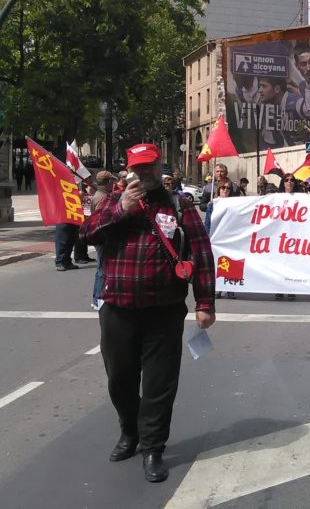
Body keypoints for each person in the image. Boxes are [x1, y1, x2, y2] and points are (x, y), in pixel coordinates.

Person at [80, 143, 216, 483]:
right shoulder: (112, 201)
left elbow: (201, 253)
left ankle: (153, 447)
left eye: (150, 168)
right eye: (138, 169)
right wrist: (121, 209)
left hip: (164, 312)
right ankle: (130, 431)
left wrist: (205, 303)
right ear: (128, 171)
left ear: (159, 167)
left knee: (159, 384)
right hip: (118, 310)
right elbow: (85, 235)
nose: (144, 174)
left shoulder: (180, 205)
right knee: (120, 381)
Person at [90, 171, 117, 309]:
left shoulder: (100, 196)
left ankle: (97, 298)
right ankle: (98, 299)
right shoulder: (102, 198)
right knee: (102, 270)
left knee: (100, 268)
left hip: (100, 237)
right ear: (107, 183)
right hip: (102, 237)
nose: (113, 184)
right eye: (111, 182)